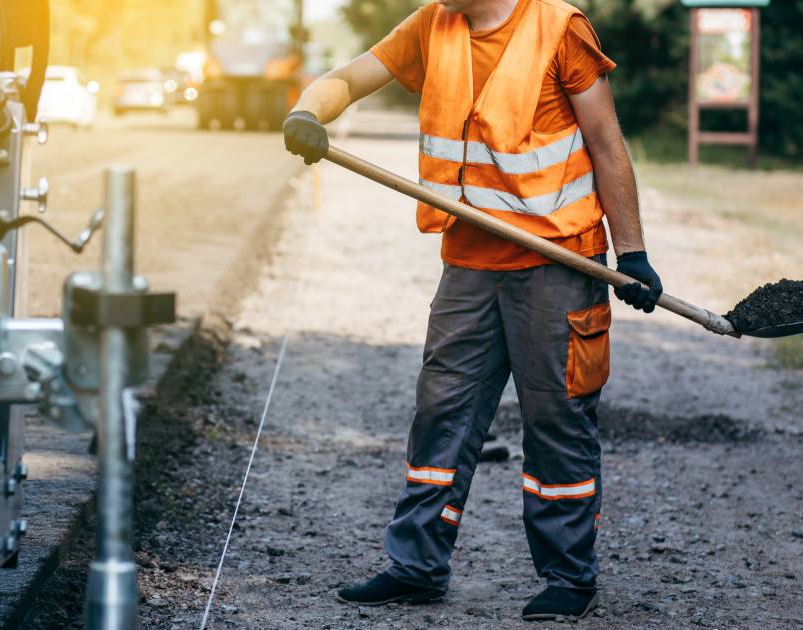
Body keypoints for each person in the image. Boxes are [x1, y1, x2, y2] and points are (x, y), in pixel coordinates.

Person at [281, 0, 663, 621]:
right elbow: (346, 80)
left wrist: (634, 252)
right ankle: (416, 566)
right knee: (441, 413)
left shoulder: (560, 30)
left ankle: (569, 577)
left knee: (556, 421)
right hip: (469, 264)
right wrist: (306, 111)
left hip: (557, 263)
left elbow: (606, 143)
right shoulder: (433, 24)